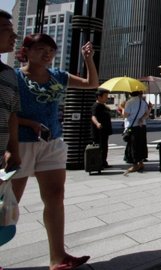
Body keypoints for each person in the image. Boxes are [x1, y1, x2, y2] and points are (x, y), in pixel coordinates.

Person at [11, 33, 98, 270]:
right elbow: (4, 114)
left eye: (51, 50)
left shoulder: (58, 76)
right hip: (20, 144)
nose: (47, 53)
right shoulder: (14, 78)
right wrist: (29, 124)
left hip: (52, 143)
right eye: (41, 49)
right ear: (26, 52)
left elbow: (91, 84)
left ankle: (58, 257)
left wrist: (88, 59)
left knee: (56, 197)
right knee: (9, 203)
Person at [0, 9, 21, 173]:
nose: (14, 36)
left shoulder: (9, 74)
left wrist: (13, 149)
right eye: (7, 30)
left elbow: (12, 115)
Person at [122, 91, 149, 173]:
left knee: (133, 146)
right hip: (142, 126)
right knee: (141, 144)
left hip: (132, 126)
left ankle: (135, 165)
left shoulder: (129, 102)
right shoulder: (143, 102)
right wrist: (141, 119)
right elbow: (147, 113)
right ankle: (141, 163)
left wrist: (123, 108)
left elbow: (125, 115)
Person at [91, 89, 112, 168]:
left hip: (104, 130)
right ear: (99, 97)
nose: (107, 98)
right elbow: (93, 116)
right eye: (105, 96)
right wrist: (97, 123)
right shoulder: (96, 106)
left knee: (104, 147)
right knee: (100, 147)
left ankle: (104, 162)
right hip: (99, 131)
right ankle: (99, 163)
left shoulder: (102, 105)